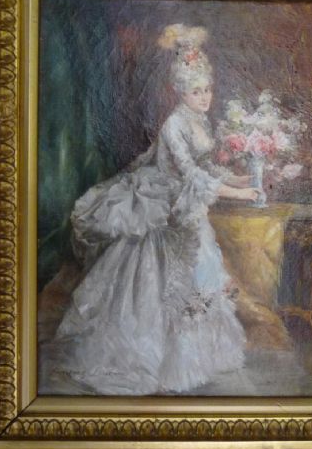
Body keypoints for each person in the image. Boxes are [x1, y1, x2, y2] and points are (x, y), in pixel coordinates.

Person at [39, 24, 258, 395]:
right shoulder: (174, 124)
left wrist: (238, 180)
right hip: (165, 210)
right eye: (196, 91)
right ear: (180, 92)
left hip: (188, 210)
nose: (204, 97)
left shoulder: (200, 121)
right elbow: (190, 175)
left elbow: (206, 165)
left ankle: (198, 357)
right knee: (159, 287)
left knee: (201, 277)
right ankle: (155, 361)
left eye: (207, 89)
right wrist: (237, 195)